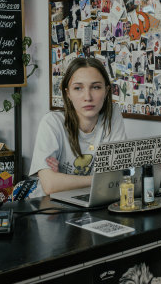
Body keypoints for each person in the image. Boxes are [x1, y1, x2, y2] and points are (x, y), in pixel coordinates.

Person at [29, 58, 127, 195]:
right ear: (68, 93)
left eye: (96, 87)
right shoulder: (52, 122)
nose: (87, 97)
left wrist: (64, 180)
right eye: (78, 88)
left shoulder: (112, 116)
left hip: (92, 201)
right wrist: (100, 180)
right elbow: (50, 185)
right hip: (50, 205)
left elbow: (117, 173)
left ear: (106, 91)